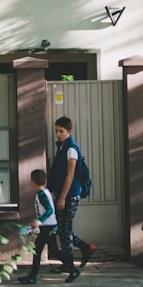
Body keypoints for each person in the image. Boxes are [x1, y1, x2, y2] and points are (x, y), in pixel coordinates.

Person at [48, 116, 96, 273]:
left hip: (70, 195)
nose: (58, 134)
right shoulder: (62, 147)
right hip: (63, 194)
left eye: (61, 131)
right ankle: (85, 247)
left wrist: (62, 197)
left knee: (65, 230)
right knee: (62, 229)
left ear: (70, 131)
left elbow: (70, 175)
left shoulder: (71, 149)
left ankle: (69, 264)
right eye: (56, 131)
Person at [18, 169, 80, 284]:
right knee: (52, 250)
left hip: (47, 226)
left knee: (39, 250)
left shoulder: (41, 195)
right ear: (45, 181)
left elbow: (49, 210)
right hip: (50, 225)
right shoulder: (46, 192)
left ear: (32, 182)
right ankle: (72, 269)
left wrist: (39, 221)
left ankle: (33, 277)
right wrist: (38, 220)